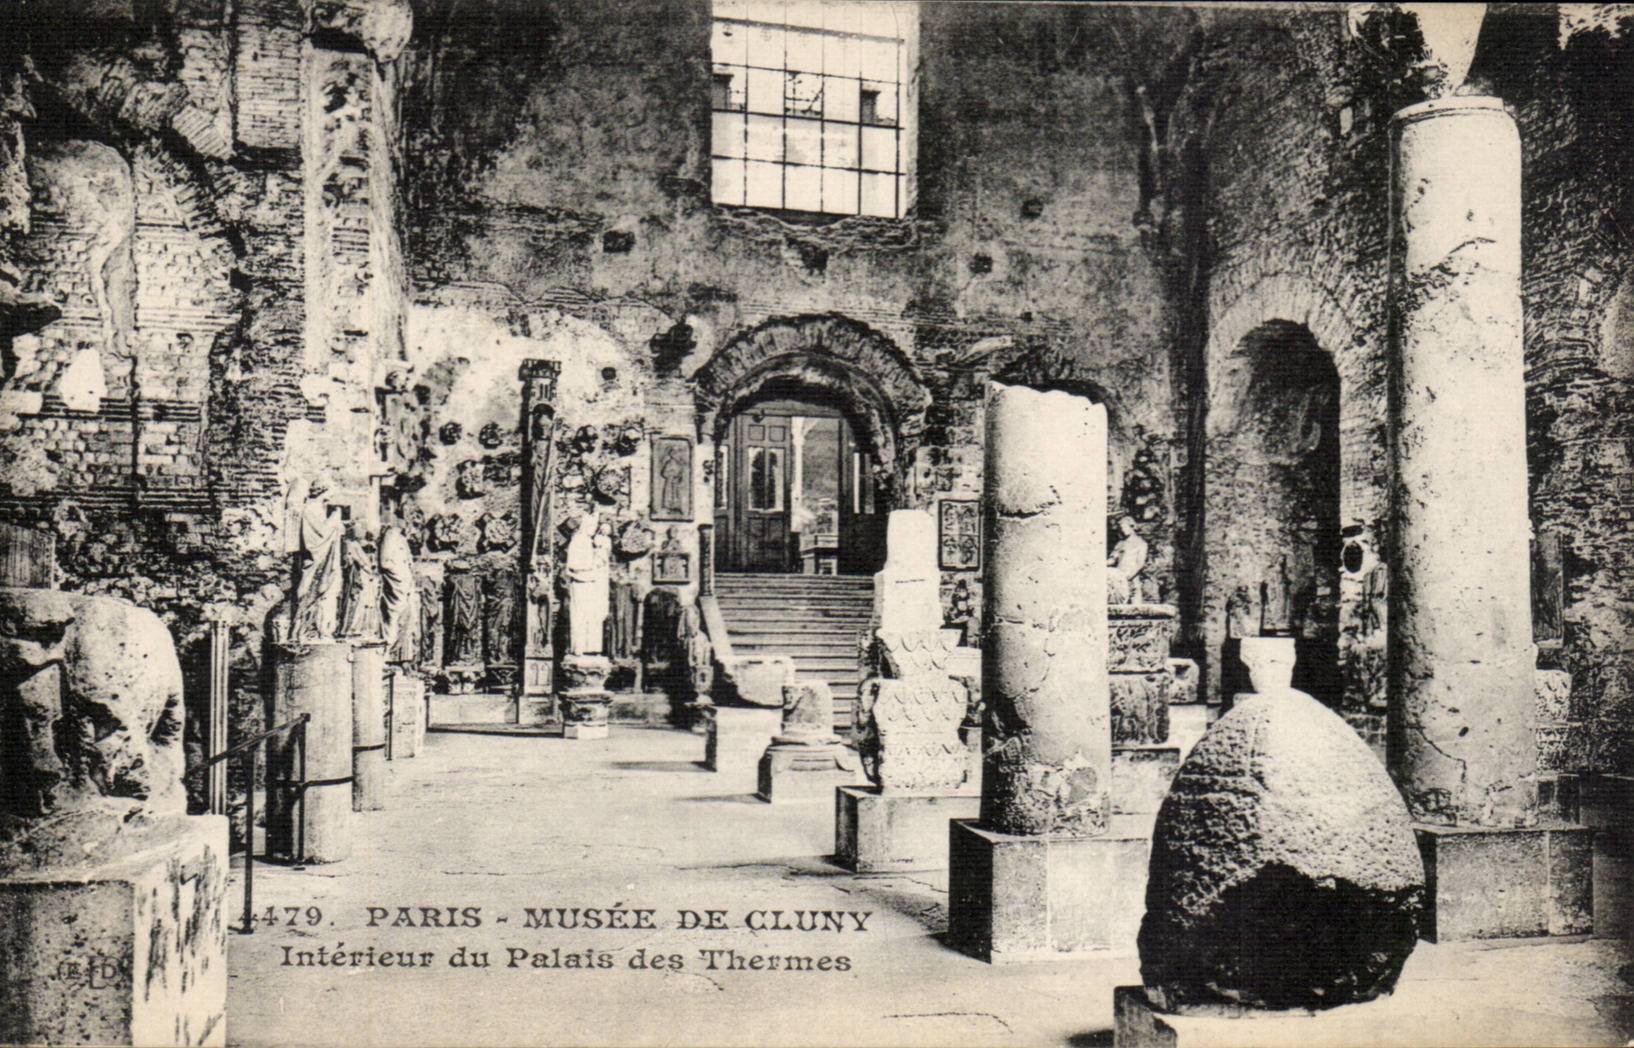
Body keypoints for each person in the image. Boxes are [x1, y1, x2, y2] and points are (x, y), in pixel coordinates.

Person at [1106, 514, 1148, 604]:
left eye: (1124, 527)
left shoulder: (1140, 543)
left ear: (1131, 526)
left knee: (1135, 606)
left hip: (1132, 578)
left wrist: (1128, 576)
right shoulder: (1120, 544)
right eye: (1121, 527)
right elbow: (1113, 559)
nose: (1122, 530)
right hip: (1118, 579)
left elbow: (1140, 563)